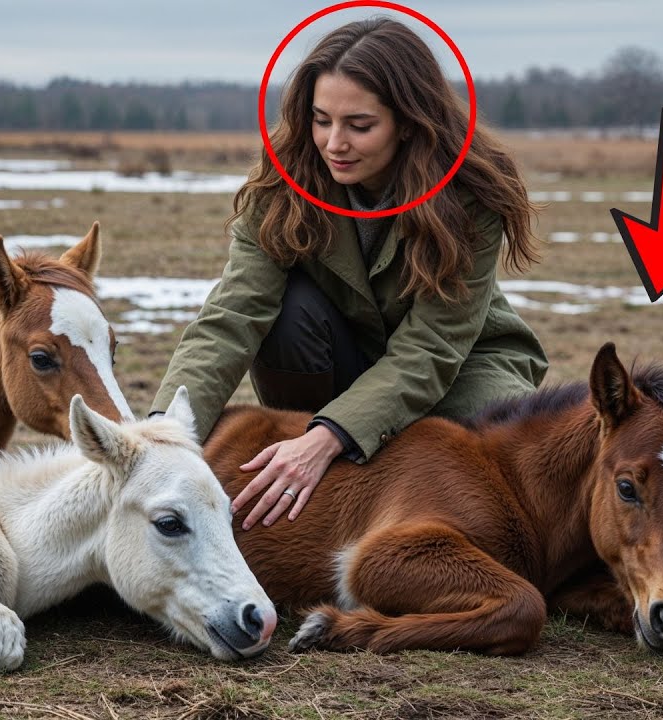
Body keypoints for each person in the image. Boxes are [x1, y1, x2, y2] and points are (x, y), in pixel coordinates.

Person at [149, 17, 548, 531]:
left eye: (359, 126)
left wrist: (331, 434)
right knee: (286, 311)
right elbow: (232, 316)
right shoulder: (282, 184)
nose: (334, 142)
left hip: (461, 363)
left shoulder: (470, 191)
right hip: (333, 350)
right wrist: (166, 433)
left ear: (408, 122)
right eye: (321, 120)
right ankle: (321, 479)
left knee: (485, 464)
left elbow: (431, 346)